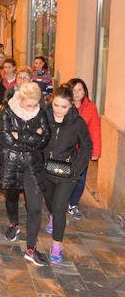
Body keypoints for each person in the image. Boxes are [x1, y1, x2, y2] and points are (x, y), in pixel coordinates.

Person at [0, 82, 50, 266]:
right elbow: (6, 139)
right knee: (11, 198)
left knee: (35, 207)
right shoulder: (7, 111)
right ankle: (14, 223)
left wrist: (22, 136)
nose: (33, 107)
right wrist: (33, 135)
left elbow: (45, 139)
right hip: (11, 162)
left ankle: (31, 249)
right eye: (29, 104)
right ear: (20, 98)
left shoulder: (40, 112)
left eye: (36, 104)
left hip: (33, 165)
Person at [43, 85, 92, 264]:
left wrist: (76, 170)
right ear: (51, 101)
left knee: (59, 207)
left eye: (64, 107)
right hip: (46, 169)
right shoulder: (44, 116)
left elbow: (87, 146)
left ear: (71, 105)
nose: (59, 110)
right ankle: (52, 216)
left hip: (67, 171)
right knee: (50, 202)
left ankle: (57, 245)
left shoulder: (77, 122)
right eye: (56, 105)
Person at [66, 78, 101, 220]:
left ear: (85, 91)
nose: (77, 93)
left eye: (80, 89)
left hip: (82, 151)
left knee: (80, 179)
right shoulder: (64, 105)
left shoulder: (90, 108)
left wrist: (96, 152)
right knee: (65, 177)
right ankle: (61, 201)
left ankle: (73, 204)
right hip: (66, 149)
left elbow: (95, 130)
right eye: (74, 90)